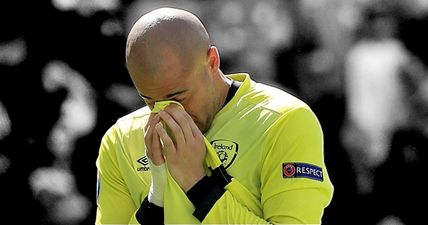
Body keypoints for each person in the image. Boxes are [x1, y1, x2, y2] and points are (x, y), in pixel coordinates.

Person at [95, 7, 333, 224]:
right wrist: (157, 196)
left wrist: (198, 185)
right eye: (149, 101)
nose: (166, 115)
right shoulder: (120, 140)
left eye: (178, 98)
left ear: (212, 61)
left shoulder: (285, 121)